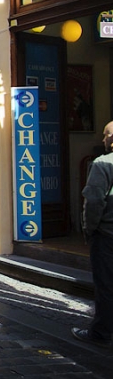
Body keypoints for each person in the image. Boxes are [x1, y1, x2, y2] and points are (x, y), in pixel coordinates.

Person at [72, 120, 113, 348]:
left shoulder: (103, 164)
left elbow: (95, 201)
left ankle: (101, 333)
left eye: (106, 135)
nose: (103, 140)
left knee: (106, 285)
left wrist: (89, 229)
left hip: (107, 234)